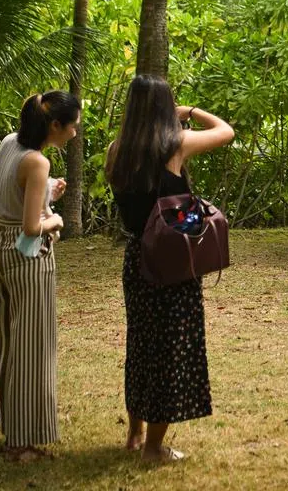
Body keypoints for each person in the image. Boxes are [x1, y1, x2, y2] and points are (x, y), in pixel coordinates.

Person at [106, 75, 234, 462]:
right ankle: (154, 448)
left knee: (142, 346)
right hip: (172, 260)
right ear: (165, 106)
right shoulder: (174, 145)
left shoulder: (116, 150)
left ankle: (135, 434)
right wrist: (190, 112)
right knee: (170, 351)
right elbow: (226, 132)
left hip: (137, 258)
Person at [0, 90, 80, 462]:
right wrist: (56, 220)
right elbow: (30, 227)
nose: (74, 133)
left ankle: (11, 424)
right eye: (72, 126)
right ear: (55, 125)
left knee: (9, 343)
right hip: (26, 261)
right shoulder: (37, 162)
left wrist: (46, 194)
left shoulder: (10, 143)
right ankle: (20, 443)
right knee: (32, 350)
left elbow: (4, 194)